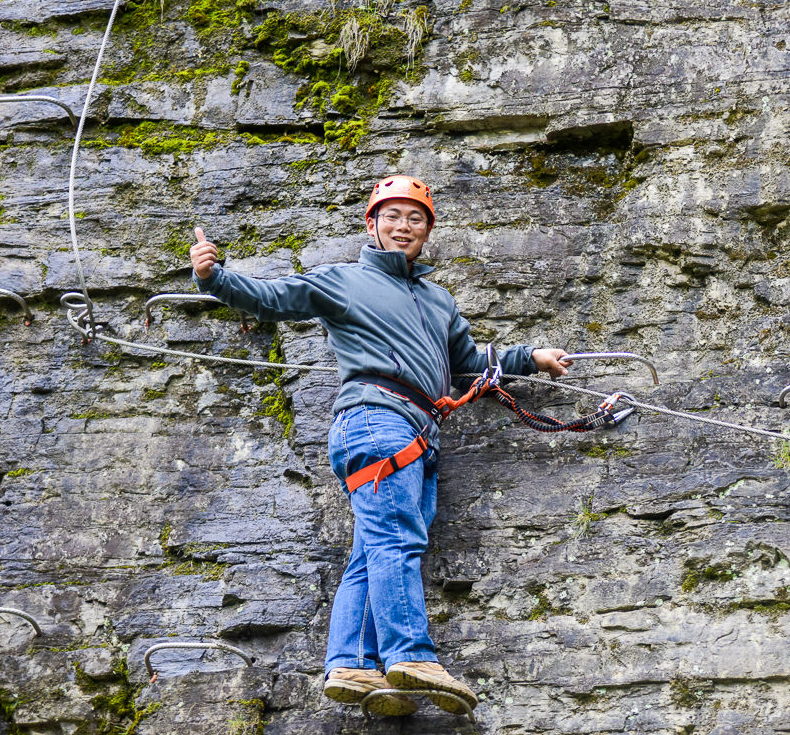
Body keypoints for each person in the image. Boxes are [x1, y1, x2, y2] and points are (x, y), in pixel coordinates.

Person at [189, 175, 571, 716]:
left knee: (372, 552)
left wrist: (530, 357)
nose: (403, 226)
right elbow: (273, 297)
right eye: (391, 216)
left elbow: (467, 363)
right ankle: (410, 654)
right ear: (371, 225)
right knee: (396, 540)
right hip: (376, 419)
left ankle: (350, 664)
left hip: (416, 431)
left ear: (426, 232)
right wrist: (215, 276)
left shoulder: (438, 300)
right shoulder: (342, 281)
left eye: (415, 218)